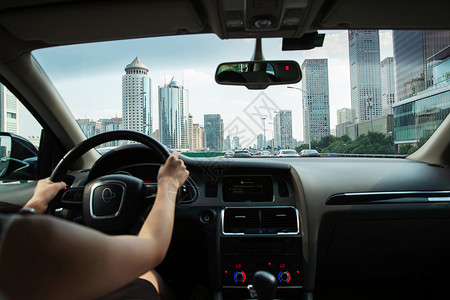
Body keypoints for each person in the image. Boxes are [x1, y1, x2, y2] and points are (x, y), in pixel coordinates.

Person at [0, 152, 189, 300]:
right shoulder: (35, 240)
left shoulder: (18, 242)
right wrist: (168, 184)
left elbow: (14, 230)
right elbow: (153, 247)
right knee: (144, 272)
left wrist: (36, 203)